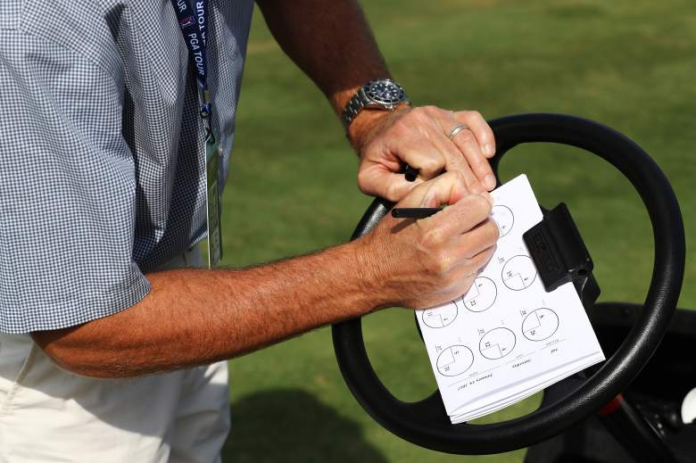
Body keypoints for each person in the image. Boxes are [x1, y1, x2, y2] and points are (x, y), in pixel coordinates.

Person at [0, 0, 499, 461]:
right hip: (55, 363)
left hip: (180, 294)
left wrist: (373, 111)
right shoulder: (34, 22)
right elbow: (84, 327)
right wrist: (371, 273)